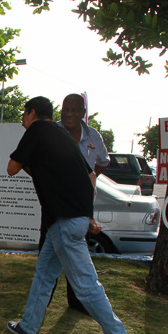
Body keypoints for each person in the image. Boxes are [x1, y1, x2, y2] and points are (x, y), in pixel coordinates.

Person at [6, 96, 138, 334]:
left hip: (64, 222)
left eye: (23, 115)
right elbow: (89, 176)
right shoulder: (62, 136)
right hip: (68, 219)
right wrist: (87, 215)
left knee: (86, 285)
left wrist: (36, 165)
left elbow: (12, 168)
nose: (22, 121)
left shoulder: (37, 130)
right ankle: (28, 327)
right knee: (45, 274)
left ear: (33, 113)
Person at [54, 93, 110, 314]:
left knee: (78, 256)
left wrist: (87, 181)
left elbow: (103, 162)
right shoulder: (53, 132)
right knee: (50, 253)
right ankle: (44, 300)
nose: (69, 114)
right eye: (65, 109)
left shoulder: (93, 136)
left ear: (83, 113)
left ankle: (77, 302)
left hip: (82, 207)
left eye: (74, 110)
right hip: (55, 203)